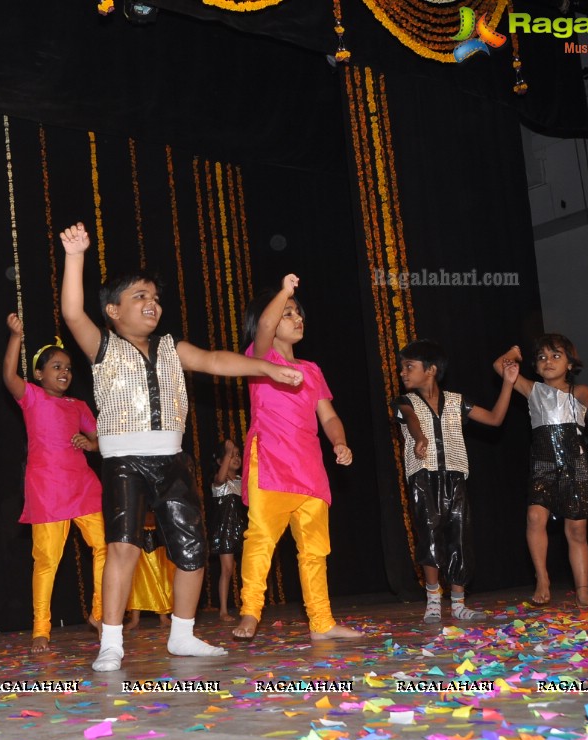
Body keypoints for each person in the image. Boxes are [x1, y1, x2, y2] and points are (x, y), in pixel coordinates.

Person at [59, 222, 303, 672]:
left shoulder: (172, 347)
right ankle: (110, 642)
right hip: (123, 461)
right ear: (113, 311)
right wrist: (75, 256)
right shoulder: (103, 347)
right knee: (123, 547)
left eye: (154, 298)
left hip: (172, 458)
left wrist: (264, 369)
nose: (152, 304)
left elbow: (213, 360)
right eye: (139, 297)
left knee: (192, 548)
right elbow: (74, 313)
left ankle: (183, 634)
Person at [231, 276, 362, 642]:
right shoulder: (258, 359)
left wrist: (340, 442)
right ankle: (250, 613)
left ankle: (322, 622)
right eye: (288, 313)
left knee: (315, 549)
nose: (297, 318)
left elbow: (329, 416)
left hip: (310, 469)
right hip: (270, 463)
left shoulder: (312, 370)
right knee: (260, 538)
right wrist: (284, 292)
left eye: (299, 313)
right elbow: (266, 327)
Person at [495, 335, 588, 608]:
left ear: (570, 364)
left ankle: (582, 591)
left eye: (556, 356)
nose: (548, 362)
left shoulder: (578, 392)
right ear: (535, 368)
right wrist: (513, 352)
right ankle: (542, 579)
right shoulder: (531, 389)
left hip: (575, 465)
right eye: (542, 357)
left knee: (577, 531)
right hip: (544, 465)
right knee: (535, 517)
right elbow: (499, 366)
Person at [3, 312, 107, 653]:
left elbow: (100, 440)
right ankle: (41, 630)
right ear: (38, 374)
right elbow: (7, 375)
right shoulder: (31, 396)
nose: (64, 372)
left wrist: (91, 444)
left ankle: (99, 614)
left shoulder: (78, 405)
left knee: (105, 547)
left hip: (83, 485)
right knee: (47, 560)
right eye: (56, 367)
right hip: (47, 489)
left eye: (67, 368)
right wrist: (16, 336)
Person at [395, 340, 518, 622]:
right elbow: (412, 419)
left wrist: (509, 383)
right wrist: (420, 438)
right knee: (429, 534)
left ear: (431, 370)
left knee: (459, 537)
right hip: (423, 477)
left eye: (409, 367)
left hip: (455, 476)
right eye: (402, 367)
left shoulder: (456, 400)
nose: (403, 372)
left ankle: (459, 602)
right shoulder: (404, 401)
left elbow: (496, 418)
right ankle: (433, 599)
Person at [209, 439, 244, 621]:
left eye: (238, 455)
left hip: (243, 528)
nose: (236, 458)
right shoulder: (218, 482)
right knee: (227, 569)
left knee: (249, 567)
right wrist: (228, 451)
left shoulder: (241, 481)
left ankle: (250, 605)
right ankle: (223, 610)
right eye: (231, 455)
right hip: (226, 529)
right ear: (220, 461)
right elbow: (221, 478)